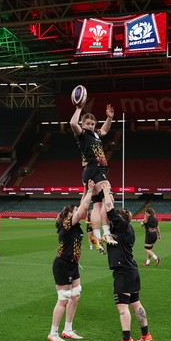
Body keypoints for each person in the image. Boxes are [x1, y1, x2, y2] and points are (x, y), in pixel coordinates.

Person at [102, 181, 153, 341]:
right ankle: (146, 335)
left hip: (123, 271)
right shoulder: (127, 229)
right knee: (135, 303)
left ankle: (127, 339)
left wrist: (105, 193)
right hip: (131, 270)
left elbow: (109, 211)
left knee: (122, 306)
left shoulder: (123, 227)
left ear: (120, 219)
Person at [48, 179, 95, 341]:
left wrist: (84, 189)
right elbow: (82, 208)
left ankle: (67, 330)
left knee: (76, 295)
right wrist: (89, 191)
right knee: (64, 298)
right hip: (63, 264)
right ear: (69, 215)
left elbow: (82, 205)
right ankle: (53, 333)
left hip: (73, 264)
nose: (79, 213)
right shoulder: (67, 224)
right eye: (74, 211)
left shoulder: (74, 225)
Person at [70, 103, 117, 251]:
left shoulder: (95, 133)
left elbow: (104, 130)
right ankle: (107, 233)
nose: (90, 126)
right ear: (83, 124)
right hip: (95, 169)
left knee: (97, 205)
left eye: (92, 123)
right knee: (108, 197)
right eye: (87, 123)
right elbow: (72, 123)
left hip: (90, 171)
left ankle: (96, 236)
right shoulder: (82, 134)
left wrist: (109, 118)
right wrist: (78, 109)